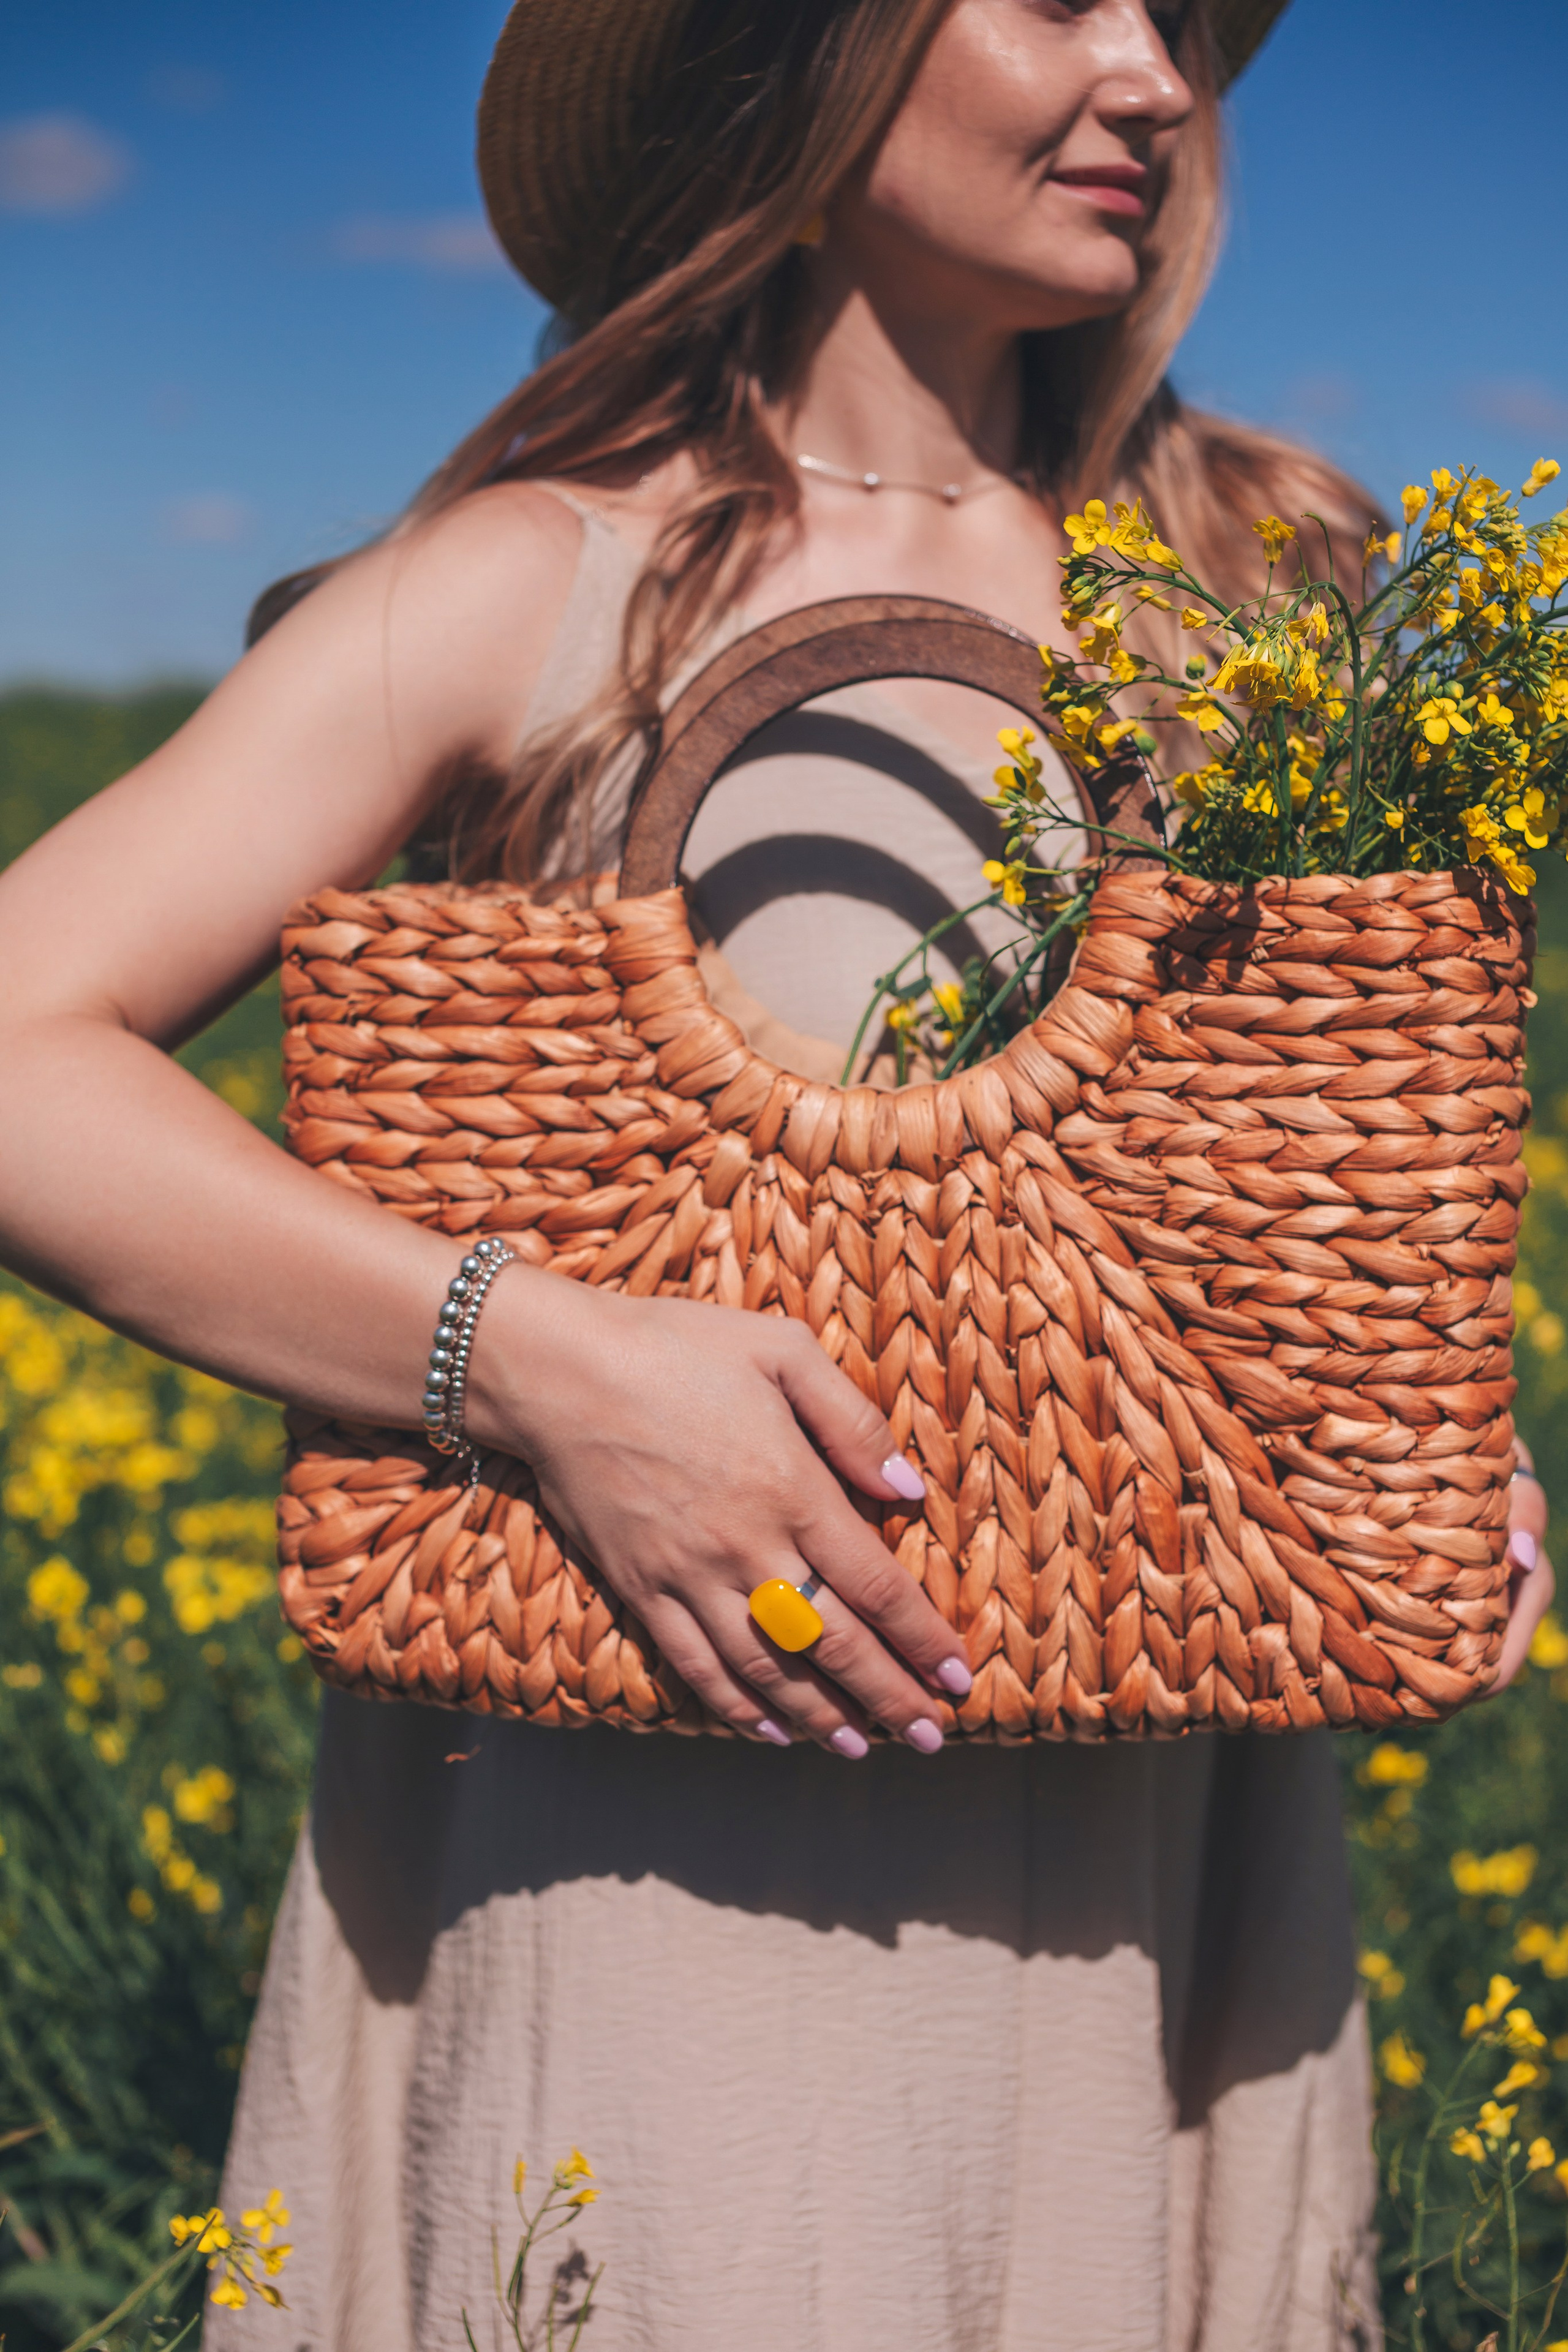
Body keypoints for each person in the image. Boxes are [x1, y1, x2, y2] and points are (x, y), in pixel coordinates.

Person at [0, 1, 1553, 2346]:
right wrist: (535, 1369)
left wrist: (1412, 1437)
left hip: (1174, 1877)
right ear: (810, 60)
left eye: (1178, 19)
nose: (1151, 75)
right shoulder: (549, 578)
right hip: (669, 1854)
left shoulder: (1270, 585)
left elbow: (1312, 1166)